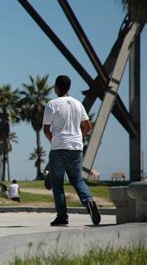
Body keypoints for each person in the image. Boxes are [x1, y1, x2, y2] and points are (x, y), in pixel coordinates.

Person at [43, 75, 101, 226]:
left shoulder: (52, 104)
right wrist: (78, 138)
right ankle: (89, 201)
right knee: (77, 180)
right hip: (76, 148)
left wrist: (53, 140)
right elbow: (88, 127)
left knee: (57, 183)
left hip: (59, 148)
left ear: (56, 87)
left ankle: (62, 217)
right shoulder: (78, 104)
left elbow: (46, 129)